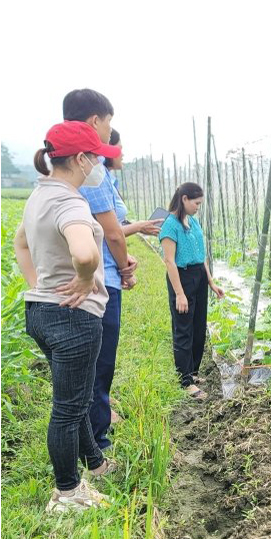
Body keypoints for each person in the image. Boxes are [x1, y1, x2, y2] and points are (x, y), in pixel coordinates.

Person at [14, 121, 121, 511]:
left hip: (41, 311)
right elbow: (85, 252)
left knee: (73, 398)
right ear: (80, 159)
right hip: (73, 317)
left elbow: (20, 242)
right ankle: (67, 492)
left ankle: (94, 463)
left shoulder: (39, 195)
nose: (99, 165)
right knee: (68, 408)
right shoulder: (71, 202)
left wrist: (38, 284)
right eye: (95, 157)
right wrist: (85, 277)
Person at [84, 128, 163, 450]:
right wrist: (123, 262)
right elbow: (110, 233)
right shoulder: (95, 175)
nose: (123, 155)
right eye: (120, 148)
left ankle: (100, 412)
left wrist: (123, 260)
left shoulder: (98, 176)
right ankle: (97, 440)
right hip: (99, 280)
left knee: (100, 360)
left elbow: (108, 233)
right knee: (99, 360)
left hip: (105, 274)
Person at [160, 183, 224, 399]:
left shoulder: (193, 222)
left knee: (198, 326)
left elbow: (201, 256)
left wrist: (211, 283)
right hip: (182, 277)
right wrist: (179, 293)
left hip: (198, 276)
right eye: (196, 203)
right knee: (183, 329)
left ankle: (193, 372)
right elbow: (169, 261)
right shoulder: (170, 225)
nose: (198, 207)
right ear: (184, 199)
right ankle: (184, 381)